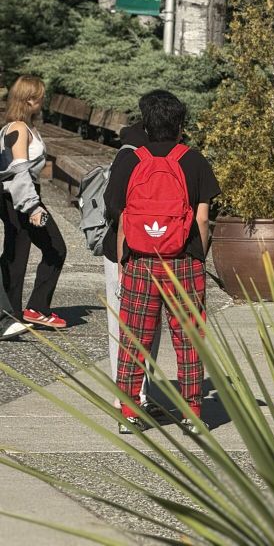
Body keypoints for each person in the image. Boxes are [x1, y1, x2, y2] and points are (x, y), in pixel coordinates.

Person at [105, 90, 220, 435]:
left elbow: (121, 215)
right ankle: (193, 413)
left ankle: (128, 411)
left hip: (140, 259)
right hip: (184, 261)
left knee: (134, 337)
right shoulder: (194, 160)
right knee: (188, 338)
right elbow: (202, 220)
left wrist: (126, 259)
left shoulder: (130, 160)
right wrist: (199, 255)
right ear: (180, 125)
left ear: (145, 124)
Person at [102, 118, 163, 415]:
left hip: (123, 248)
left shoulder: (127, 154)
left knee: (123, 322)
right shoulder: (169, 154)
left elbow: (112, 204)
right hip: (160, 249)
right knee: (150, 324)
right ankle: (135, 392)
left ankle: (131, 392)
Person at [1, 76, 67, 329]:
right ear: (29, 99)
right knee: (53, 248)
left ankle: (15, 313)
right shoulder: (17, 129)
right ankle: (27, 311)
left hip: (20, 196)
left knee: (16, 254)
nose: (43, 100)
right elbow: (18, 170)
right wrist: (32, 206)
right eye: (40, 96)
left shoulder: (22, 127)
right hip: (21, 198)